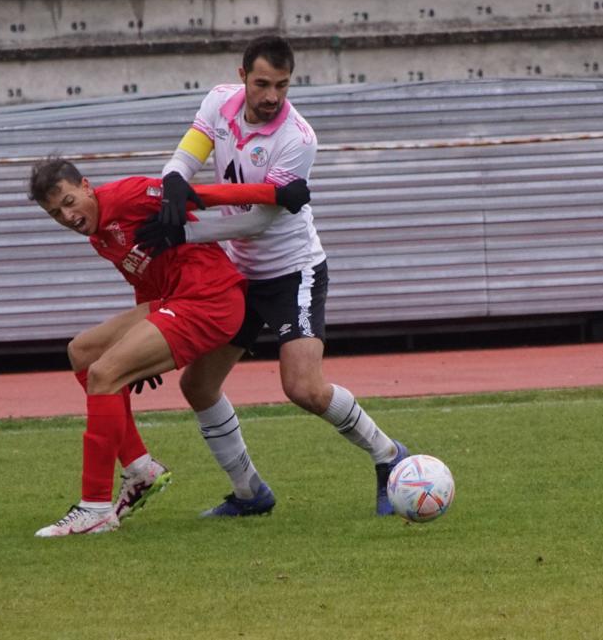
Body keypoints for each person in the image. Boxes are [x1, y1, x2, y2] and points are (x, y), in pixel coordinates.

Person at [137, 34, 407, 518]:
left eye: (282, 86)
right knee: (198, 386)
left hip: (291, 271)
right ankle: (249, 493)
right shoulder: (220, 101)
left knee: (303, 387)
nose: (271, 96)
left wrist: (184, 231)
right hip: (237, 273)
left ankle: (389, 456)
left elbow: (259, 219)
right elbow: (190, 149)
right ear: (242, 76)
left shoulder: (297, 139)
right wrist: (175, 174)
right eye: (262, 83)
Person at [27, 156, 309, 537]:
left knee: (104, 374)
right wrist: (137, 341)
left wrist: (274, 194)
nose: (67, 216)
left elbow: (200, 194)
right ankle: (141, 469)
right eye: (54, 213)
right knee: (83, 353)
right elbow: (144, 280)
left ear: (87, 186)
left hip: (210, 299)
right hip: (174, 300)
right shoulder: (98, 234)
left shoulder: (128, 196)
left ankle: (94, 508)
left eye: (69, 202)